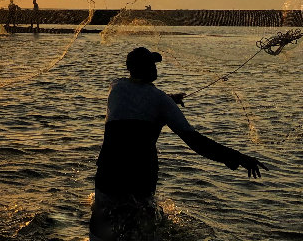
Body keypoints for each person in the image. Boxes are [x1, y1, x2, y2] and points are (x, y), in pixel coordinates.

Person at [90, 47, 268, 241]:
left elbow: (139, 98)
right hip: (140, 178)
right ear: (149, 70)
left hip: (108, 175)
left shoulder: (115, 88)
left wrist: (170, 99)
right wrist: (238, 158)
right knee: (140, 227)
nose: (156, 68)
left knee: (102, 226)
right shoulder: (161, 101)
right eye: (153, 64)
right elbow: (195, 142)